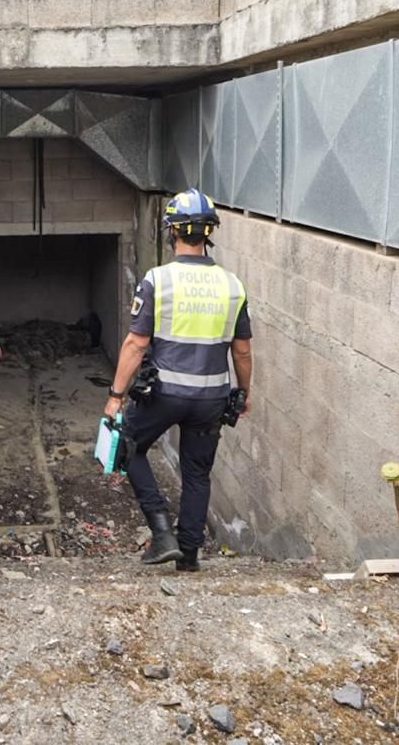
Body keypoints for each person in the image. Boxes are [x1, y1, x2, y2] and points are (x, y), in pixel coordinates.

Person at [103, 188, 252, 572]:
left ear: (172, 232)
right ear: (208, 234)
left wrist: (116, 396)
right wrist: (244, 393)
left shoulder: (159, 279)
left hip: (164, 392)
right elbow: (242, 351)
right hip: (212, 398)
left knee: (128, 447)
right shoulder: (232, 285)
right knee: (197, 473)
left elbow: (137, 343)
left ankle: (161, 531)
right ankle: (188, 556)